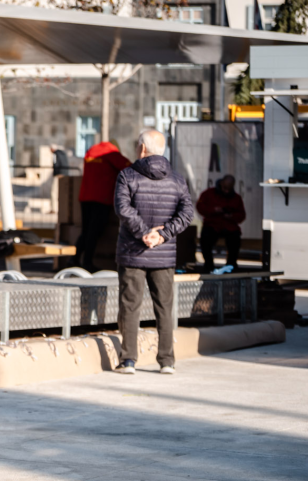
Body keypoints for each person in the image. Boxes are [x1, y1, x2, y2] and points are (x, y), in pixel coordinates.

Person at [113, 129, 194, 376]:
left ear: (142, 148)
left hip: (132, 253)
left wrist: (143, 233)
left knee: (130, 306)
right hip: (164, 254)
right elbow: (187, 213)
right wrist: (162, 235)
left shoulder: (127, 175)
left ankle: (128, 361)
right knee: (164, 308)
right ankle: (167, 361)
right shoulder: (177, 179)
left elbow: (122, 208)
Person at [75, 141, 132, 272]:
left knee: (86, 231)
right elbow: (129, 168)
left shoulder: (92, 151)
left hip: (85, 196)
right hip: (101, 197)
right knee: (94, 232)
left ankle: (75, 259)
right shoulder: (111, 152)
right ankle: (87, 262)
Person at [196, 175, 246, 272]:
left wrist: (231, 216)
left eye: (229, 189)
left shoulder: (236, 198)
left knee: (235, 237)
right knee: (205, 238)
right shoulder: (209, 193)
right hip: (212, 225)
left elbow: (242, 215)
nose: (226, 191)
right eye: (225, 188)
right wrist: (214, 210)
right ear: (221, 183)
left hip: (229, 226)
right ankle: (209, 265)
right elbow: (199, 207)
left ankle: (231, 265)